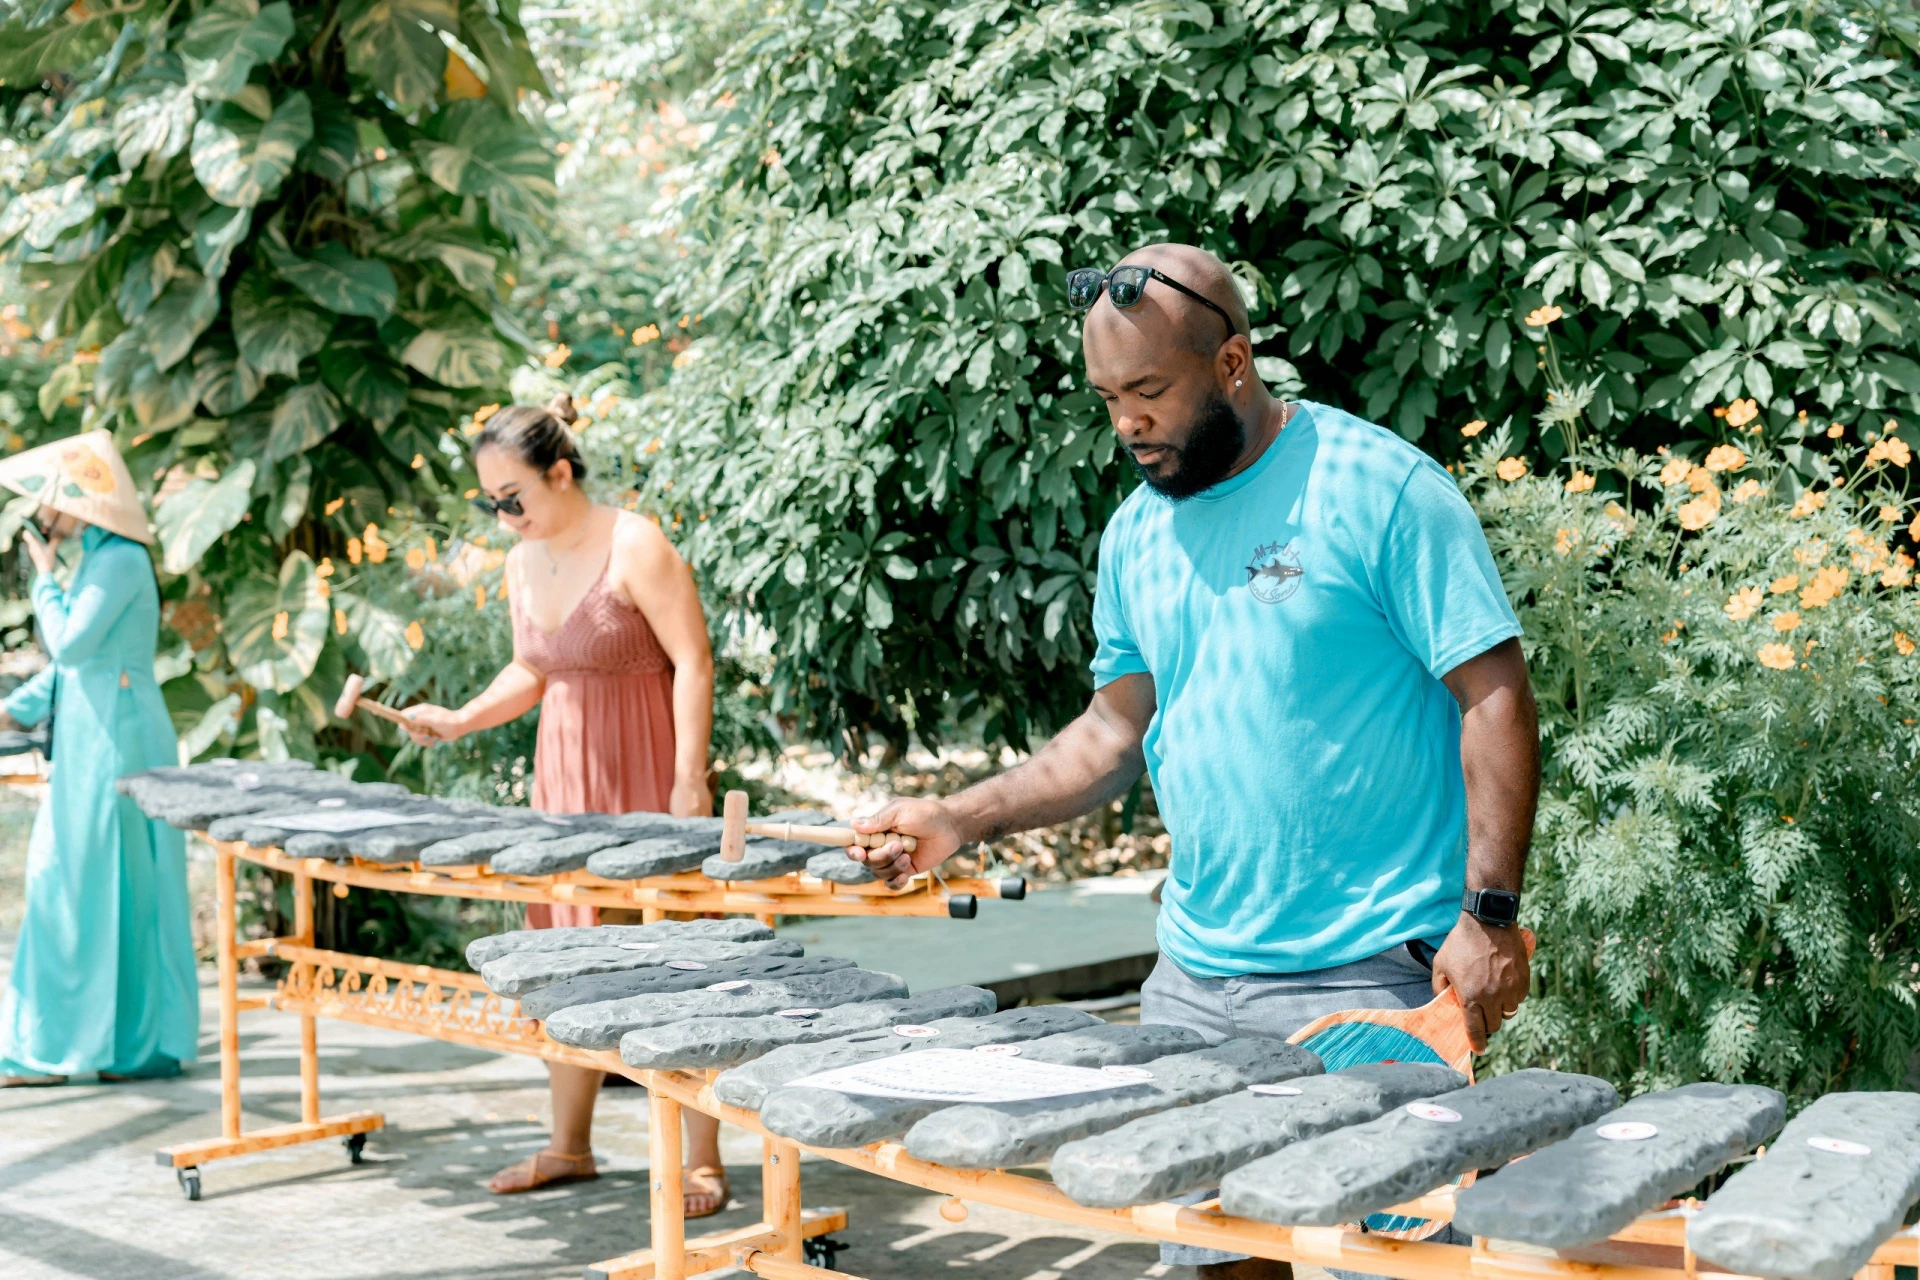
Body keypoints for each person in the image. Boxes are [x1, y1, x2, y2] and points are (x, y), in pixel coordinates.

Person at [845, 244, 1540, 1280]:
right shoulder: (1135, 534)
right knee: (1214, 1263)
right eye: (1108, 396)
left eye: (1150, 391)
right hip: (1197, 981)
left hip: (1366, 979)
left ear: (1232, 364)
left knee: (1388, 1269)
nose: (1127, 423)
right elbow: (1109, 731)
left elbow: (1496, 698)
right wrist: (962, 815)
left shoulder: (1378, 487)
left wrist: (1489, 912)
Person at [401, 395, 728, 1212]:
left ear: (560, 472)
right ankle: (569, 1146)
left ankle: (704, 1158)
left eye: (513, 498)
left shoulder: (635, 542)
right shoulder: (523, 562)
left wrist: (690, 779)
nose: (503, 516)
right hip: (564, 783)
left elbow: (693, 658)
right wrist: (462, 717)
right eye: (489, 502)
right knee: (565, 961)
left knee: (675, 965)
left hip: (646, 772)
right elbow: (533, 670)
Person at [0, 431, 197, 1087]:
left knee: (94, 880)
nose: (40, 516)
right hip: (99, 734)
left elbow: (72, 645)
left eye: (48, 502)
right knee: (87, 881)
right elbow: (75, 667)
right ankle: (101, 1043)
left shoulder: (117, 562)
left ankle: (97, 1046)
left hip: (119, 740)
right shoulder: (100, 557)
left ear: (78, 503)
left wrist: (44, 581)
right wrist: (20, 707)